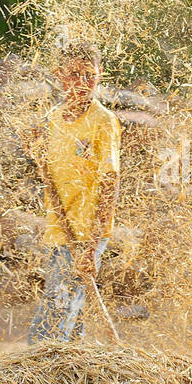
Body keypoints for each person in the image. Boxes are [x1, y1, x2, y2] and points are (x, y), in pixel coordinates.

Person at [27, 42, 122, 343]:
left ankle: (37, 371)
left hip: (86, 235)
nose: (81, 83)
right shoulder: (52, 119)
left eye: (89, 75)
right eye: (72, 74)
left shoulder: (103, 122)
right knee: (70, 312)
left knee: (51, 325)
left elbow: (110, 183)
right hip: (59, 231)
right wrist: (36, 152)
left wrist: (92, 247)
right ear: (58, 75)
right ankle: (75, 380)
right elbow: (49, 171)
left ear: (100, 75)